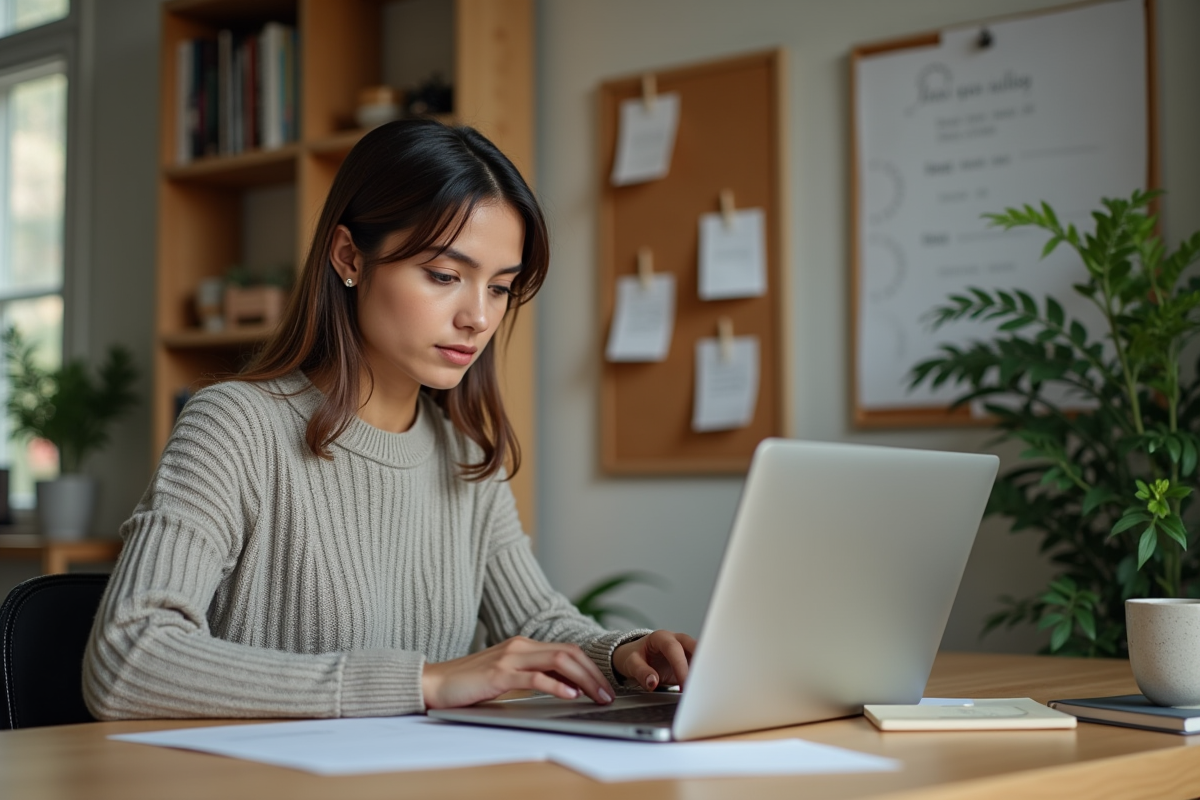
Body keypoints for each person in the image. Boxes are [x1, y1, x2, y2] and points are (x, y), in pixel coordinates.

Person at [83, 120, 695, 720]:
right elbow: (129, 657)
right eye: (445, 276)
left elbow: (538, 623)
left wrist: (623, 655)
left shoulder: (463, 459)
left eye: (501, 288)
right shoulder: (234, 427)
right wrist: (422, 682)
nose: (478, 318)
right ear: (350, 256)